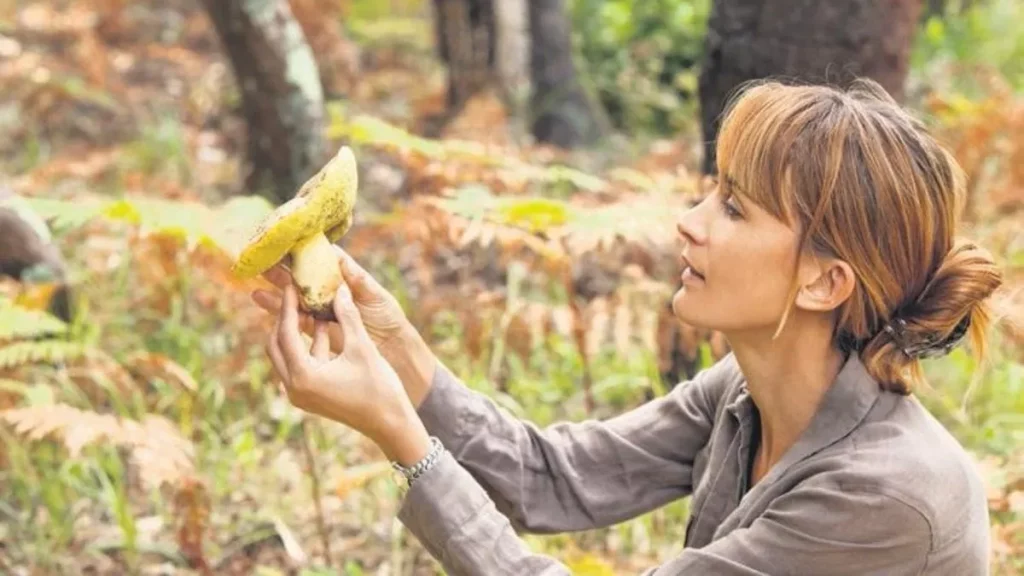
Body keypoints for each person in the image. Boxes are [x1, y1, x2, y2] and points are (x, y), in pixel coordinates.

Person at [251, 78, 1004, 575]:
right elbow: (553, 479)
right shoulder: (745, 391)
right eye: (712, 192)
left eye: (734, 209)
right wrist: (398, 352)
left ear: (824, 281)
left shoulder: (883, 498)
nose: (689, 222)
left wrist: (399, 436)